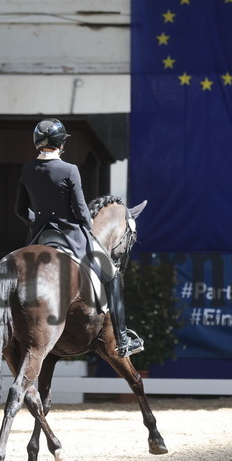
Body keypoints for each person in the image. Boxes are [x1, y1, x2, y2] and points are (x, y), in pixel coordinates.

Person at [15, 117, 143, 358]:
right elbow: (83, 212)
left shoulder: (27, 169)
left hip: (41, 236)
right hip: (72, 236)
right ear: (61, 144)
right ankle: (123, 337)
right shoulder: (69, 170)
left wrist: (39, 223)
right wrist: (86, 229)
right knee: (112, 275)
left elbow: (20, 211)